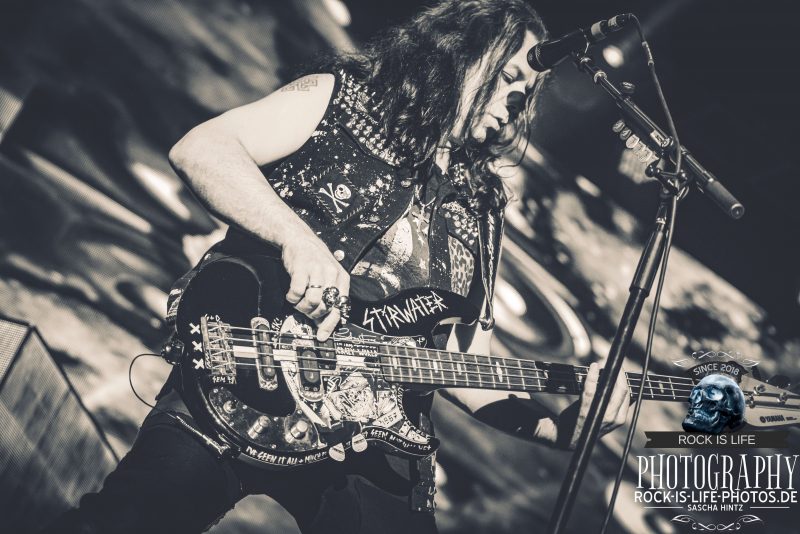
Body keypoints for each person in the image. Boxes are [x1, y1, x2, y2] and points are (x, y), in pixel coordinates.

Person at [44, 1, 631, 532]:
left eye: (526, 94)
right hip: (247, 377)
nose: (514, 103)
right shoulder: (343, 98)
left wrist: (561, 430)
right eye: (508, 78)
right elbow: (203, 150)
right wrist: (297, 239)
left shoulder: (481, 203)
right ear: (462, 53)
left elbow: (457, 361)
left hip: (374, 435)